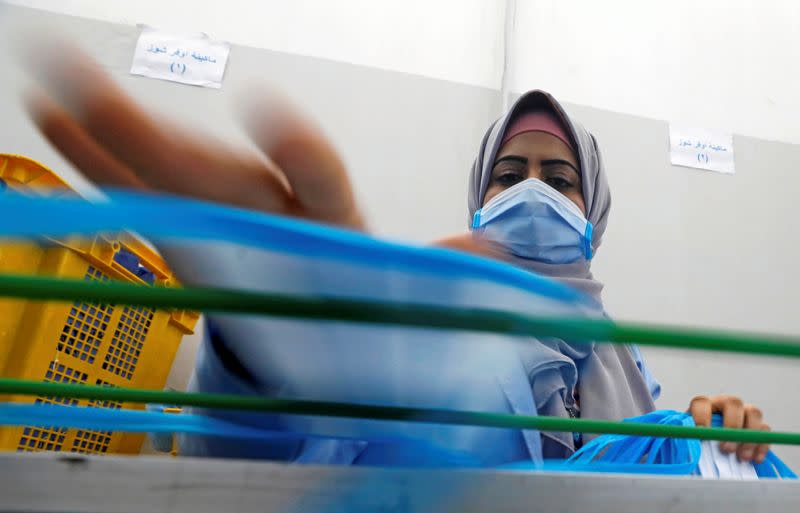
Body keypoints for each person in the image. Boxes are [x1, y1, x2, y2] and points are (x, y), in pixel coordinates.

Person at [25, 44, 770, 464]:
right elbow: (278, 469)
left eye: (561, 178)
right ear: (478, 202)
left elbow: (666, 469)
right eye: (509, 177)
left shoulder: (627, 362)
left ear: (594, 209)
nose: (533, 192)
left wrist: (719, 436)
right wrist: (258, 356)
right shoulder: (420, 327)